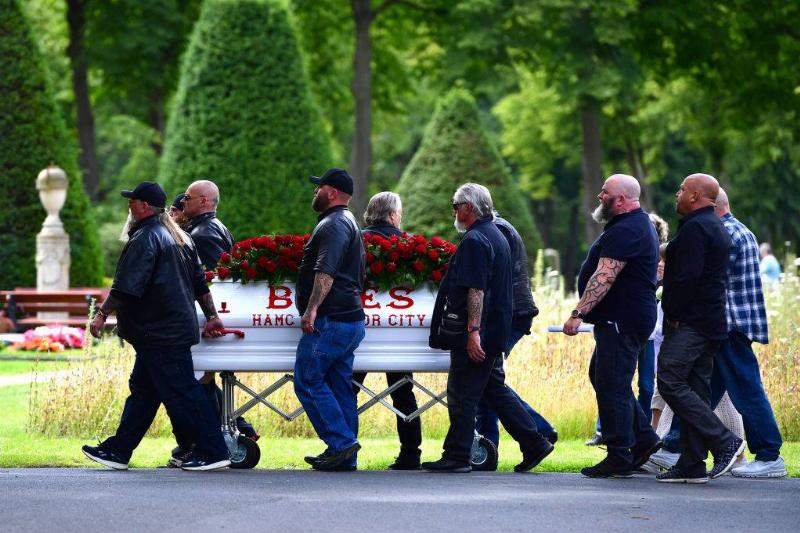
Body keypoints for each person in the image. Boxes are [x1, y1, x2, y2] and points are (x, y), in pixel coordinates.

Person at [81, 181, 230, 471]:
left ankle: (213, 451)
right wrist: (211, 315)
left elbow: (125, 286)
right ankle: (118, 450)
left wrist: (101, 314)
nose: (129, 205)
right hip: (168, 329)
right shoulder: (179, 236)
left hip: (159, 331)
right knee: (144, 393)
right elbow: (200, 284)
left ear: (145, 206)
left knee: (183, 392)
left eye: (132, 201)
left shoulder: (146, 237)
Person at [424, 183, 553, 473]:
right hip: (495, 328)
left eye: (456, 206)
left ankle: (458, 455)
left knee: (462, 393)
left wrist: (472, 333)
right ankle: (534, 442)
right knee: (492, 389)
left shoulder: (475, 239)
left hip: (479, 331)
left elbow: (476, 290)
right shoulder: (495, 234)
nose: (453, 211)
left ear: (468, 207)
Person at [562, 174, 662, 478]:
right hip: (623, 318)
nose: (599, 196)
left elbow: (604, 276)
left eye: (604, 192)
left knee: (612, 384)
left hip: (621, 319)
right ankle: (643, 439)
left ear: (620, 199)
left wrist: (578, 312)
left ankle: (619, 454)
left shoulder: (628, 229)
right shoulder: (631, 225)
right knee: (603, 376)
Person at [656, 173, 744, 484]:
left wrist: (674, 312)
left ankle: (724, 440)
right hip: (710, 322)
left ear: (694, 196)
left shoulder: (696, 228)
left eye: (681, 189)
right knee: (695, 389)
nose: (677, 194)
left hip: (691, 322)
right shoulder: (713, 225)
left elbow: (687, 277)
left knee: (669, 379)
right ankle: (692, 464)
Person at [294, 168, 366, 472]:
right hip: (348, 320)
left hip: (331, 320)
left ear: (332, 192)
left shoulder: (334, 224)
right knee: (339, 387)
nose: (315, 191)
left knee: (307, 381)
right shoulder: (347, 221)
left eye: (319, 187)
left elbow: (326, 272)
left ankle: (341, 443)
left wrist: (311, 309)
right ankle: (345, 456)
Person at [712, 189, 787, 478]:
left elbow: (710, 279)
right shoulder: (740, 230)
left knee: (747, 390)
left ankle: (769, 454)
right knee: (704, 390)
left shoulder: (725, 233)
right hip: (734, 324)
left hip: (729, 325)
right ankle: (675, 444)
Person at [475, 212, 558, 453]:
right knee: (486, 379)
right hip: (512, 313)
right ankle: (489, 447)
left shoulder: (494, 231)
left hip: (506, 314)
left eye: (457, 206)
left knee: (487, 378)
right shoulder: (501, 228)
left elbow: (491, 279)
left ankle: (536, 431)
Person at [351, 191, 423, 470]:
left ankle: (345, 448)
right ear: (393, 216)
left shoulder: (356, 241)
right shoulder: (409, 246)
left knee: (349, 390)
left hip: (360, 323)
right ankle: (410, 453)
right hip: (398, 330)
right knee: (403, 391)